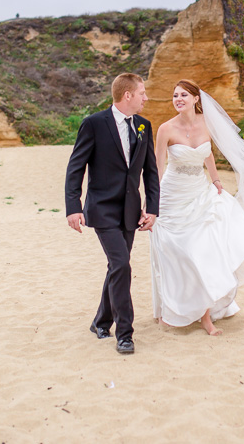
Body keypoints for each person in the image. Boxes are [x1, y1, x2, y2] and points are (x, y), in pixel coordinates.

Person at [150, 79, 244, 335]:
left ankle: (205, 316)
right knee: (175, 255)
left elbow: (207, 153)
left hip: (200, 193)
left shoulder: (207, 123)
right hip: (172, 196)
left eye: (184, 94)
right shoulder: (165, 129)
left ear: (196, 99)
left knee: (203, 251)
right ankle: (173, 308)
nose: (178, 99)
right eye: (175, 95)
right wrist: (151, 202)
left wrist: (216, 178)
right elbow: (158, 167)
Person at [64, 73, 160, 354]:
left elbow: (150, 171)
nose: (145, 98)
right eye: (142, 93)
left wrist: (152, 208)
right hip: (102, 208)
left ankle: (100, 321)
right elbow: (75, 167)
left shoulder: (144, 126)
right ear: (127, 95)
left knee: (117, 267)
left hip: (131, 210)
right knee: (122, 265)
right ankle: (125, 333)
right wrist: (73, 207)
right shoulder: (94, 123)